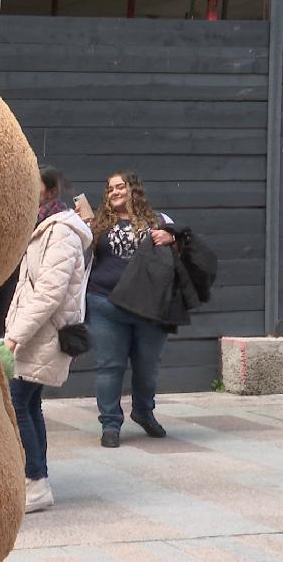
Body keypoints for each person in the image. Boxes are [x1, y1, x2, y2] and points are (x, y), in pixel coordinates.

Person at [3, 174, 91, 513]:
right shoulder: (43, 228)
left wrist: (15, 335)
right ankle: (36, 480)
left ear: (51, 190)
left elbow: (49, 293)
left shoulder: (62, 233)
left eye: (34, 184)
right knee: (28, 403)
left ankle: (35, 481)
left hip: (42, 335)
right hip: (35, 333)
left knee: (17, 402)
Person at [83, 171, 175, 449]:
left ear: (134, 189)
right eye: (110, 188)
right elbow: (78, 255)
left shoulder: (160, 221)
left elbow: (185, 247)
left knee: (148, 366)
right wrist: (83, 226)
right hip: (105, 304)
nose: (115, 192)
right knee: (109, 367)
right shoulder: (96, 224)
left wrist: (171, 238)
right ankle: (110, 423)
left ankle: (143, 411)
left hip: (149, 307)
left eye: (120, 186)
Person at [0, 165, 69, 340]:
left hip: (29, 294)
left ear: (51, 192)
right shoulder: (22, 213)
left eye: (35, 184)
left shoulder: (59, 223)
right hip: (5, 285)